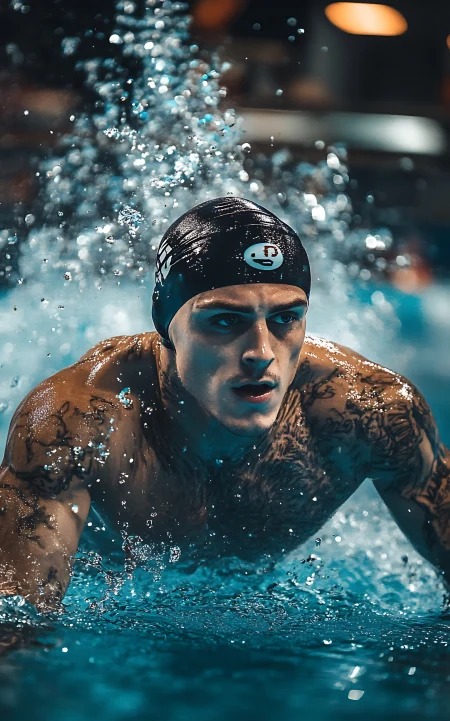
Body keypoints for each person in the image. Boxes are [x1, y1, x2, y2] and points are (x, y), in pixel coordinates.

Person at [0, 197, 448, 607]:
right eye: (225, 320)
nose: (261, 352)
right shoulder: (74, 424)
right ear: (165, 322)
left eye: (285, 318)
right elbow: (17, 625)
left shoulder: (369, 411)